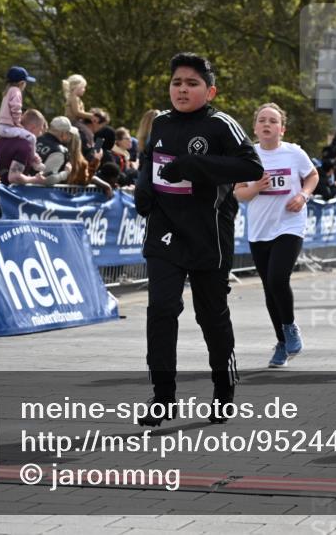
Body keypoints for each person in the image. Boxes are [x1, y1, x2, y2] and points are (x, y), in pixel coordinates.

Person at [133, 53, 262, 427]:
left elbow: (251, 167)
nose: (182, 89)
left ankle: (223, 390)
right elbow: (150, 160)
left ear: (210, 91)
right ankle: (163, 397)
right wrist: (143, 189)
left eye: (192, 83)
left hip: (209, 233)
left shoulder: (221, 125)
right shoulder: (160, 123)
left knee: (211, 316)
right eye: (177, 83)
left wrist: (194, 165)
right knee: (161, 309)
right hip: (165, 230)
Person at [233, 103, 318, 368]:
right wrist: (256, 187)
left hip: (289, 225)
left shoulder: (294, 153)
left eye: (273, 120)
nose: (267, 124)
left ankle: (290, 328)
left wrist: (303, 195)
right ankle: (282, 342)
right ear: (255, 128)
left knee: (278, 278)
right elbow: (239, 193)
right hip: (260, 229)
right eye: (262, 120)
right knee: (270, 288)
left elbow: (312, 176)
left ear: (282, 129)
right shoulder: (247, 155)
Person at [0, 66, 39, 145]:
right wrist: (17, 123)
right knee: (32, 138)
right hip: (9, 128)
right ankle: (32, 153)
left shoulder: (8, 91)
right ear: (21, 83)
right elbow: (16, 108)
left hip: (2, 127)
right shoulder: (16, 91)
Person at [35, 116, 75, 185]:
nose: (69, 136)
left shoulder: (36, 138)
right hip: (37, 190)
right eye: (68, 133)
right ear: (63, 133)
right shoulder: (58, 151)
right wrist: (65, 173)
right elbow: (48, 179)